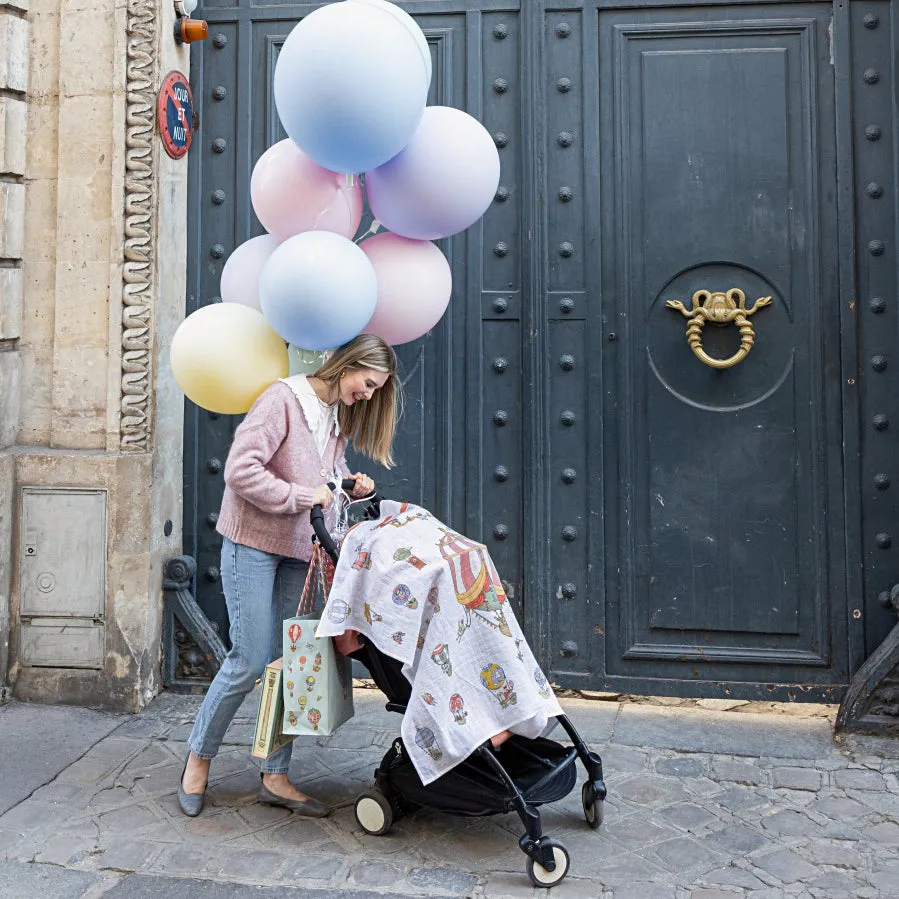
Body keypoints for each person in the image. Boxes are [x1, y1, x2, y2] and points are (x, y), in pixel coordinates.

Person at [178, 334, 401, 818]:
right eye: (367, 383)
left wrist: (348, 480)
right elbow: (241, 471)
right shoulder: (283, 399)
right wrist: (306, 497)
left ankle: (275, 775)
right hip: (254, 544)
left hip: (300, 550)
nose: (368, 394)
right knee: (249, 659)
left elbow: (323, 470)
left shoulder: (337, 414)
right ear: (348, 365)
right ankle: (198, 758)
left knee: (288, 665)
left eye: (376, 389)